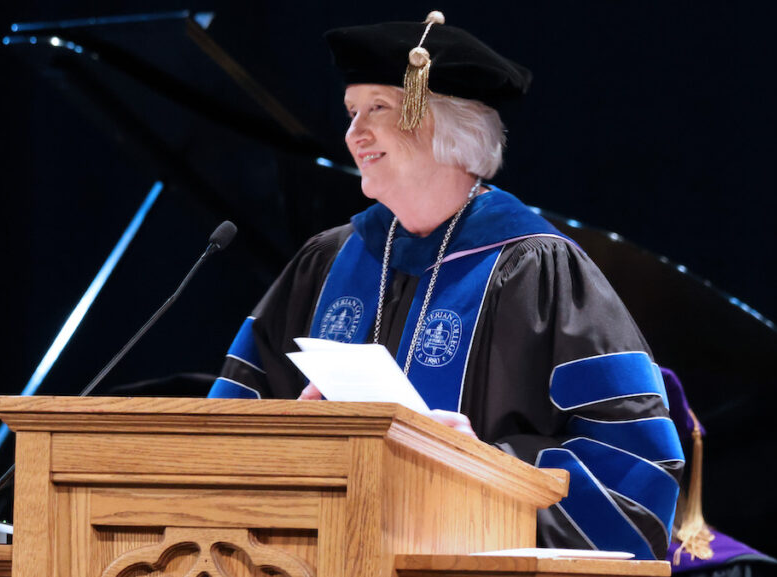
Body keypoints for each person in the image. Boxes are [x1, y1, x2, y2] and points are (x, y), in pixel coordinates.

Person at [208, 12, 683, 560]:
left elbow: (636, 468)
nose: (354, 133)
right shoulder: (327, 261)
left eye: (378, 108)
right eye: (351, 111)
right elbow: (231, 424)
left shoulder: (537, 270)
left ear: (449, 127)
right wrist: (298, 431)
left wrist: (482, 462)